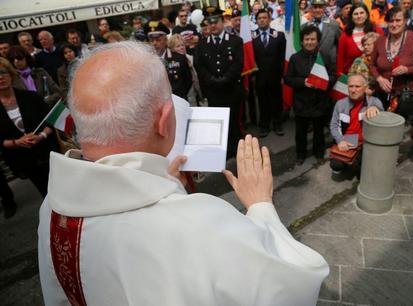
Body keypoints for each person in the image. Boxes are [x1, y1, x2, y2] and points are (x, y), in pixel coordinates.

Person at [37, 40, 329, 306]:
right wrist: (261, 206)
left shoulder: (53, 206)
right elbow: (296, 286)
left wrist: (162, 184)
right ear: (164, 121)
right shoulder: (200, 225)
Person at [0, 57, 57, 198]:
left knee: (63, 187)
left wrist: (41, 136)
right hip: (23, 160)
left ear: (11, 74)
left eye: (3, 72)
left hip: (48, 152)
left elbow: (51, 119)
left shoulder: (30, 97)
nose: (0, 77)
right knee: (46, 193)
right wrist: (17, 142)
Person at [194, 6, 244, 158]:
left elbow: (238, 64)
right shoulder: (202, 45)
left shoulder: (235, 41)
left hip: (231, 89)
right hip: (214, 91)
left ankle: (237, 149)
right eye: (209, 22)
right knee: (220, 124)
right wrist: (212, 80)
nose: (212, 25)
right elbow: (199, 66)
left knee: (234, 121)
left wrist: (225, 79)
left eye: (215, 21)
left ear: (223, 22)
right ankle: (225, 151)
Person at [285, 25, 336, 164]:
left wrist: (323, 82)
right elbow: (288, 79)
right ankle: (300, 154)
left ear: (317, 40)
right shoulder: (295, 58)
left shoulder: (324, 56)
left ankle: (319, 153)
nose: (309, 42)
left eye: (313, 39)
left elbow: (333, 76)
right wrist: (303, 82)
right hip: (301, 102)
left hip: (320, 102)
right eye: (306, 39)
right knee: (300, 132)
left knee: (319, 131)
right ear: (301, 41)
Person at [369, 6, 413, 110]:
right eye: (391, 21)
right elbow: (372, 65)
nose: (394, 24)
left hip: (406, 95)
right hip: (382, 93)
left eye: (398, 20)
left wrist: (407, 69)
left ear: (405, 21)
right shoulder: (380, 41)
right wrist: (379, 79)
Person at [329, 73, 383, 174]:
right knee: (336, 165)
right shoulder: (340, 104)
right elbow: (333, 125)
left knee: (364, 168)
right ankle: (345, 164)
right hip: (347, 140)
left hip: (366, 142)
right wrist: (340, 141)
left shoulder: (375, 102)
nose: (353, 90)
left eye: (357, 86)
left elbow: (384, 121)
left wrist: (376, 109)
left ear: (365, 88)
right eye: (350, 86)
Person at [252, 9, 286, 137]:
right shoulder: (251, 37)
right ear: (256, 20)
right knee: (262, 101)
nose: (262, 20)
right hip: (259, 77)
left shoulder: (279, 36)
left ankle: (277, 123)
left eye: (264, 17)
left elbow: (282, 57)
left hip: (275, 76)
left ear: (269, 19)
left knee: (276, 100)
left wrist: (283, 75)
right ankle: (264, 125)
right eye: (259, 18)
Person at [337, 3, 384, 77]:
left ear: (367, 15)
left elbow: (384, 52)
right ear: (351, 17)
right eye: (356, 14)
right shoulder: (345, 35)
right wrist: (340, 77)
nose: (359, 16)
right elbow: (340, 59)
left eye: (362, 13)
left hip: (375, 77)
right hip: (351, 78)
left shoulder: (377, 30)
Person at [148, 21, 192, 100]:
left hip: (178, 101)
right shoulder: (147, 62)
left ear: (165, 40)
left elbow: (188, 81)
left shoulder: (179, 58)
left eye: (158, 40)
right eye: (151, 41)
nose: (154, 43)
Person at [303, 0, 341, 69]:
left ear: (324, 8)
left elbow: (340, 45)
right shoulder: (305, 26)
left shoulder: (333, 24)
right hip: (311, 65)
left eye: (320, 7)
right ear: (311, 9)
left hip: (330, 66)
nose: (317, 10)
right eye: (315, 7)